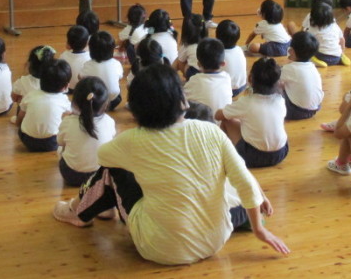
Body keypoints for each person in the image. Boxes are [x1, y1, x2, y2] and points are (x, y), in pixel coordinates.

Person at [52, 63, 290, 265]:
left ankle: (78, 211)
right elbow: (245, 182)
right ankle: (247, 221)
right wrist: (261, 230)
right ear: (181, 99)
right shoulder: (211, 131)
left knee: (110, 172)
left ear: (137, 110)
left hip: (158, 249)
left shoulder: (131, 141)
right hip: (215, 241)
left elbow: (103, 157)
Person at [216, 58, 288, 168]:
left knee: (227, 120)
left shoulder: (246, 102)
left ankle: (225, 157)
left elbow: (218, 115)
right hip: (281, 153)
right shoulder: (280, 100)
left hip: (254, 156)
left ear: (250, 78)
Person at [57, 77, 116, 186]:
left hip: (71, 175)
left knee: (62, 147)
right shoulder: (109, 121)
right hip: (98, 177)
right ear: (105, 104)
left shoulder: (68, 121)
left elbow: (60, 142)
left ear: (74, 102)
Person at [17, 59, 72, 152]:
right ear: (66, 86)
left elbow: (20, 117)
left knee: (23, 107)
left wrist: (18, 124)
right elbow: (70, 117)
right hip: (52, 143)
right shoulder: (64, 101)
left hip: (27, 140)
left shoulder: (30, 95)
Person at [280, 31, 324, 120]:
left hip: (296, 111)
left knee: (273, 88)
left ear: (291, 51)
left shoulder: (290, 68)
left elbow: (272, 79)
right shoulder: (312, 67)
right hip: (315, 108)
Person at [183, 38, 232, 117]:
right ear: (223, 64)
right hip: (222, 124)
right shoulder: (227, 77)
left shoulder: (195, 80)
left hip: (203, 125)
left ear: (198, 64)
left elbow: (183, 97)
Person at [79, 31, 124, 111]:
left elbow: (80, 77)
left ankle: (97, 107)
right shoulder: (116, 63)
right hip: (113, 100)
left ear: (91, 49)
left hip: (94, 100)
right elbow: (120, 77)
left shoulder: (88, 64)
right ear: (112, 50)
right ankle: (106, 107)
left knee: (85, 84)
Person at [10, 45, 56, 123]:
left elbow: (13, 98)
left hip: (28, 118)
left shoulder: (22, 81)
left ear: (30, 64)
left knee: (22, 100)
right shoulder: (55, 81)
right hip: (48, 118)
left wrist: (21, 99)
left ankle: (19, 120)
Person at [308, 3, 347, 67]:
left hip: (321, 57)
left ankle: (316, 61)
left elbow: (308, 42)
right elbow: (342, 40)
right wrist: (342, 52)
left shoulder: (312, 29)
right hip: (336, 57)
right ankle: (341, 58)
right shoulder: (335, 26)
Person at [216, 19, 248, 97]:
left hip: (227, 90)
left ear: (217, 36)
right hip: (242, 86)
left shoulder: (218, 54)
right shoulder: (239, 49)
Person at [173, 14, 207, 79]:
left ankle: (167, 76)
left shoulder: (187, 46)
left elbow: (180, 63)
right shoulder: (208, 43)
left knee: (179, 60)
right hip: (208, 73)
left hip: (195, 76)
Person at [59, 26, 91, 94]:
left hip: (67, 88)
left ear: (68, 42)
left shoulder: (63, 55)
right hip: (82, 89)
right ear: (87, 43)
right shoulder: (90, 57)